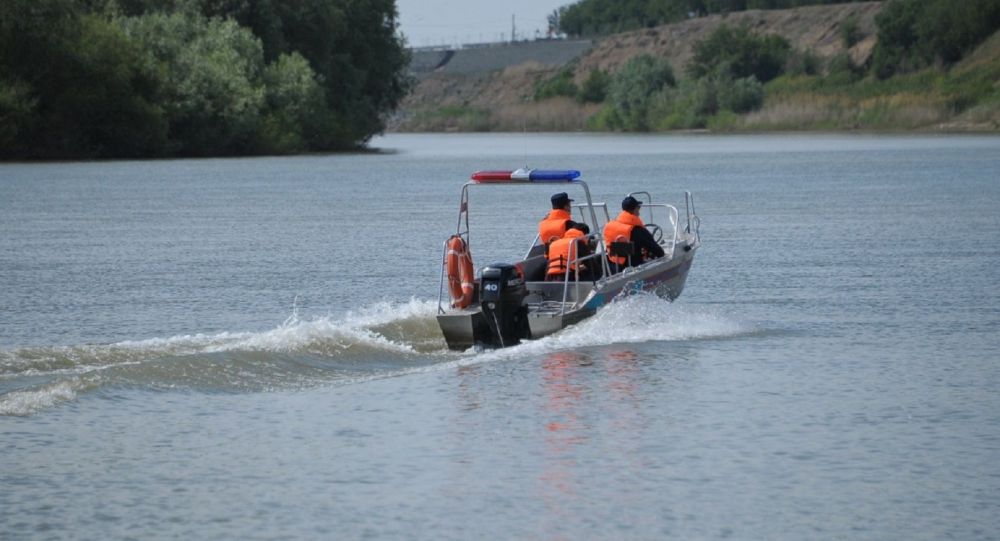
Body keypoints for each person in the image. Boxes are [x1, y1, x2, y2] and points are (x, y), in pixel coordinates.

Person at [603, 195, 664, 273]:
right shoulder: (637, 230)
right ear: (635, 209)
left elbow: (613, 247)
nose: (639, 212)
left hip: (612, 266)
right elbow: (658, 252)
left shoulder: (610, 225)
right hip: (631, 269)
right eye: (638, 208)